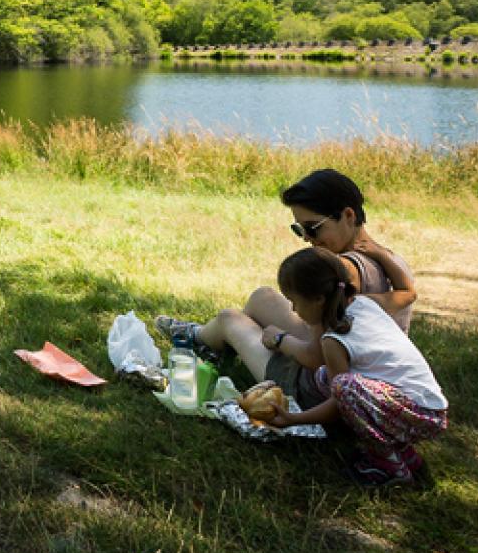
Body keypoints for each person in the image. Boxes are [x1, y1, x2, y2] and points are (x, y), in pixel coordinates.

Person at [154, 168, 418, 413]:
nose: (307, 238)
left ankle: (198, 338)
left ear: (348, 216)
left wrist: (281, 340)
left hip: (318, 390)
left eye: (313, 228)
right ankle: (211, 344)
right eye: (299, 230)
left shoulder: (337, 274)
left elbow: (317, 356)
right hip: (370, 377)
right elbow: (401, 298)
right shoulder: (391, 262)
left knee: (229, 319)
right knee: (262, 297)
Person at [261, 246, 447, 486]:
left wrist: (295, 419)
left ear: (318, 300)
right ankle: (405, 454)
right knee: (324, 376)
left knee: (343, 386)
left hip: (419, 414)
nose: (294, 310)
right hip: (426, 408)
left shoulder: (333, 340)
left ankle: (388, 465)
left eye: (294, 302)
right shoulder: (362, 303)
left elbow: (338, 403)